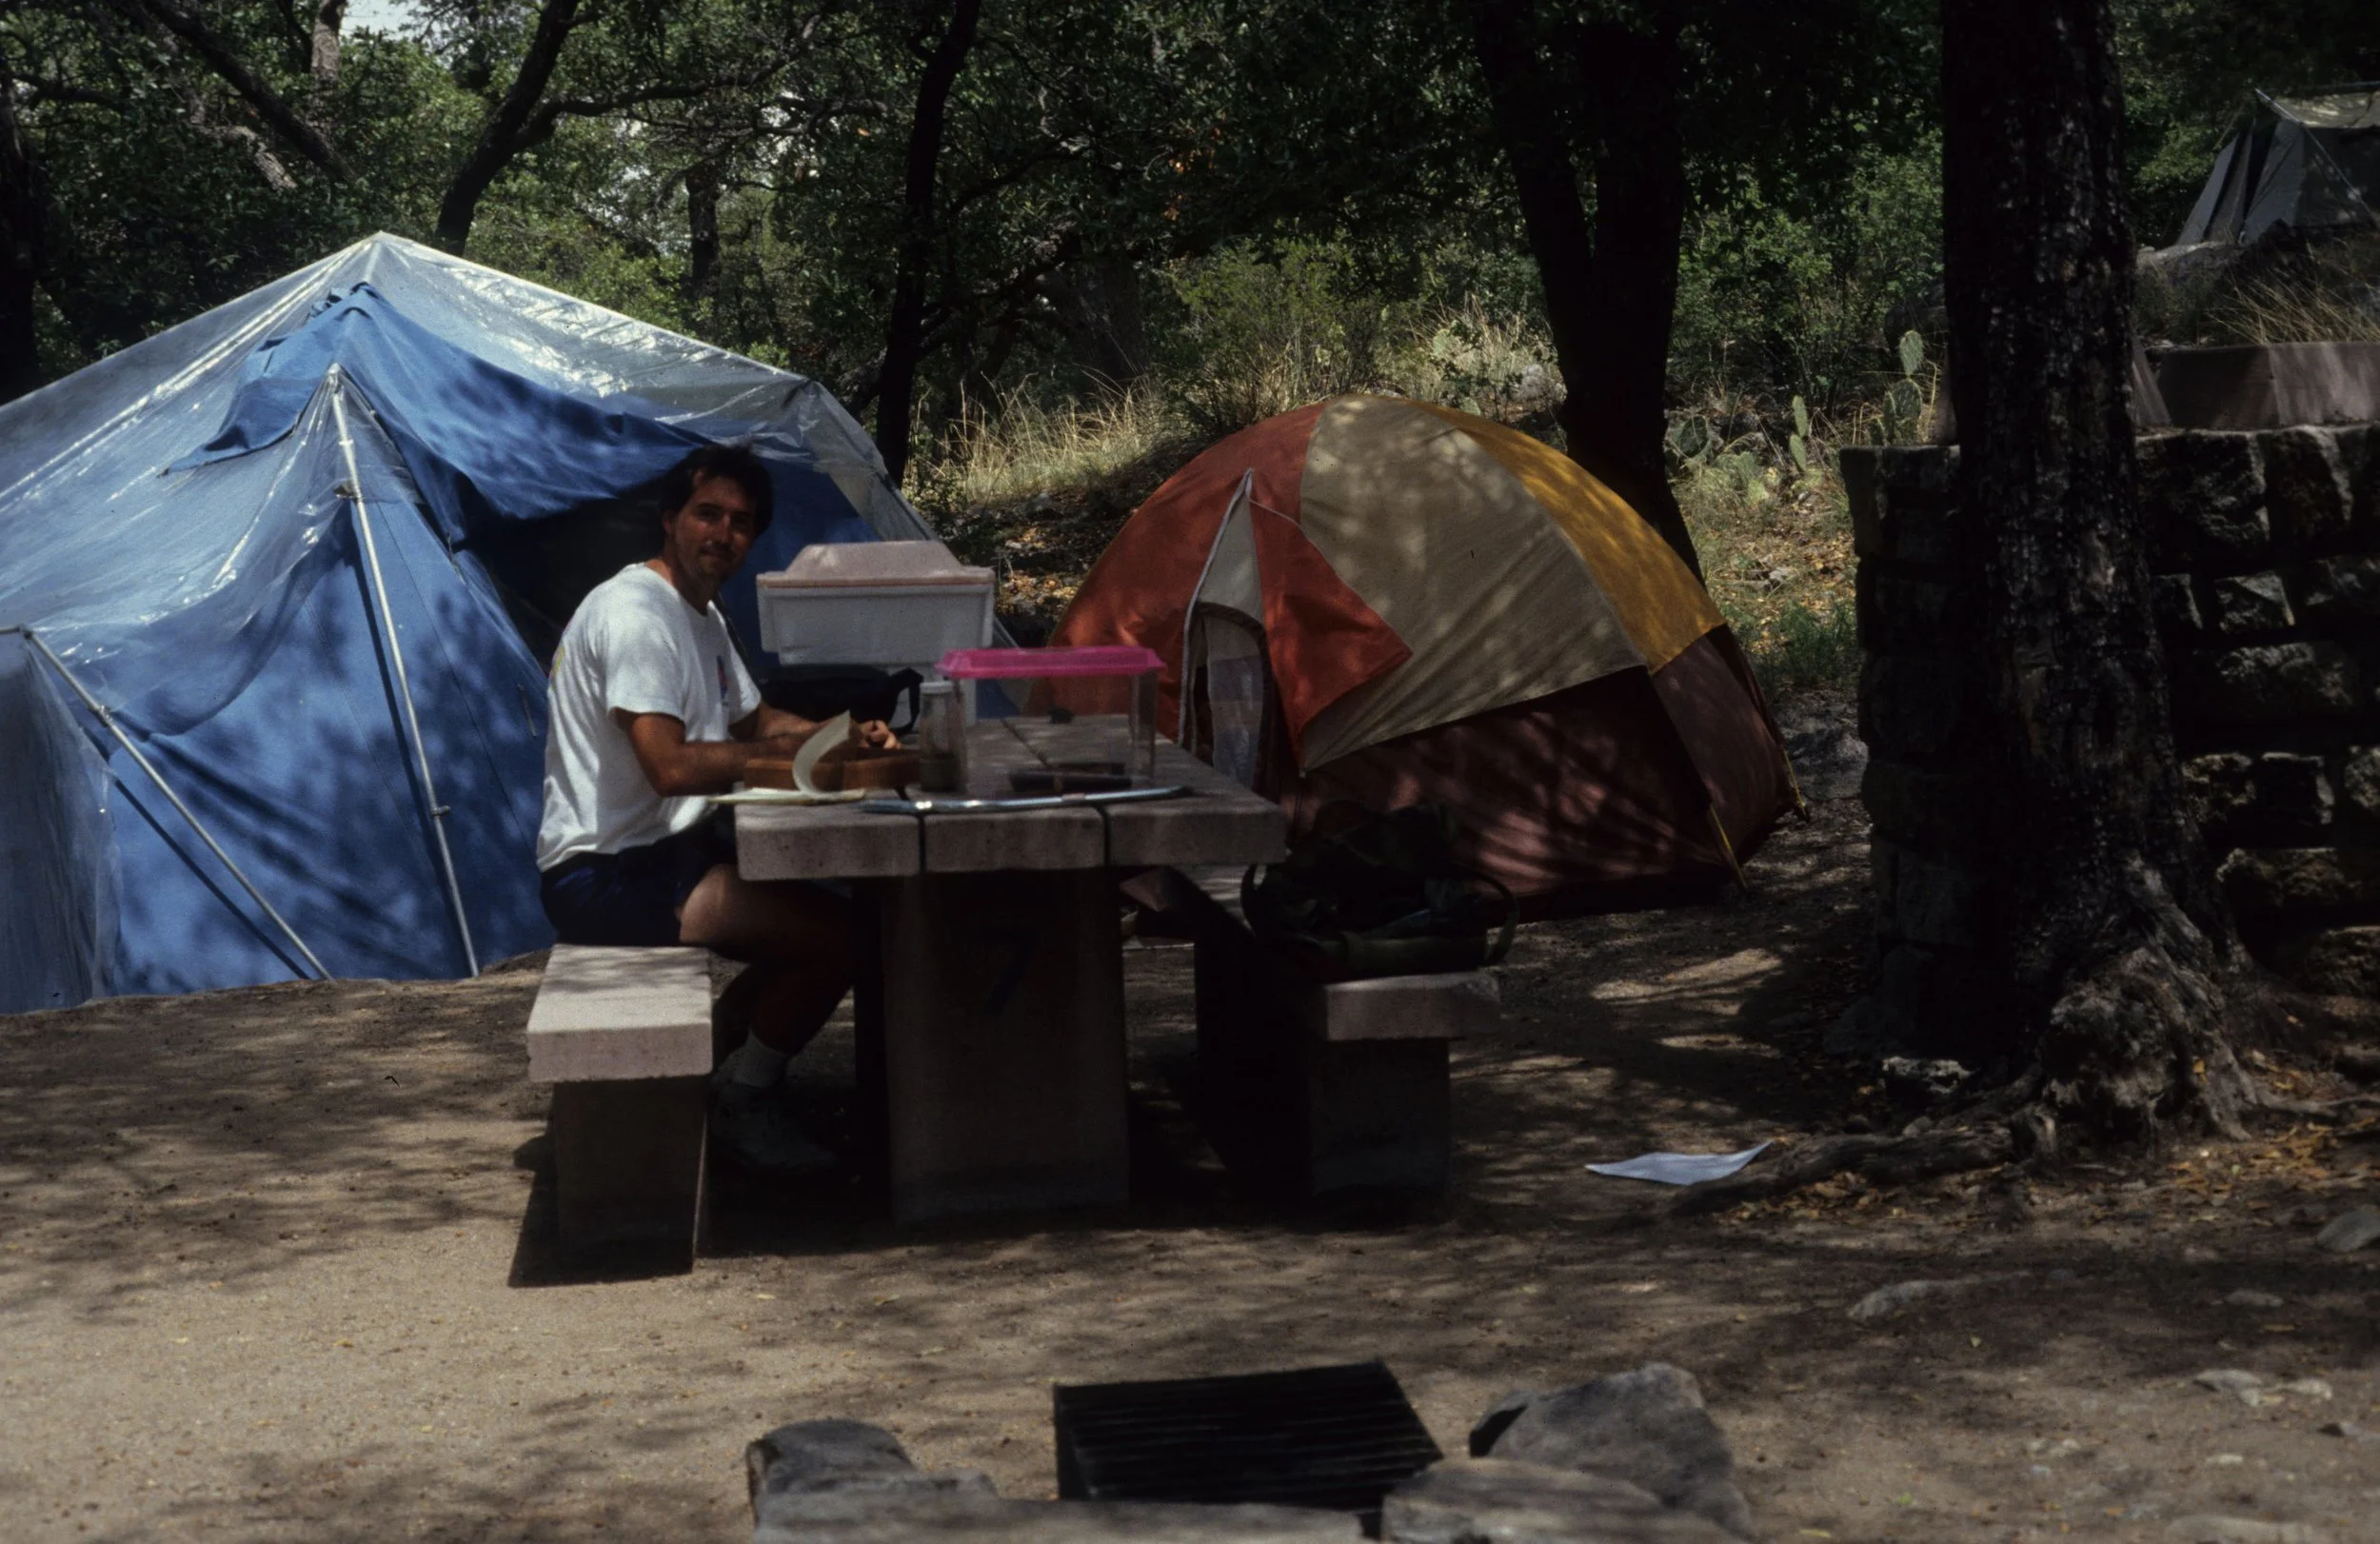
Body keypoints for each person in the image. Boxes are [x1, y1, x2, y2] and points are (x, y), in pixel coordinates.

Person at [534, 444, 894, 1175]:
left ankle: (706, 1073)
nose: (723, 534)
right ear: (670, 521)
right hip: (605, 872)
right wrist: (789, 769)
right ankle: (745, 1098)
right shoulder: (638, 613)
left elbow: (755, 721)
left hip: (667, 856)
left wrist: (844, 736)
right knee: (841, 940)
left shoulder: (698, 612)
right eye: (708, 514)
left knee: (838, 920)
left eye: (741, 522)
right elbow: (669, 767)